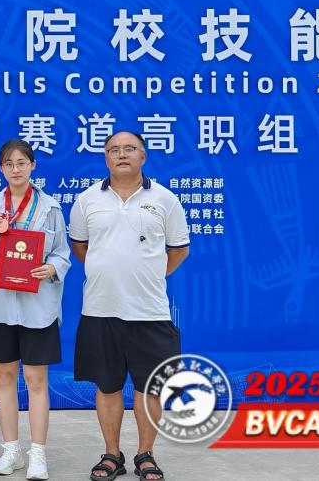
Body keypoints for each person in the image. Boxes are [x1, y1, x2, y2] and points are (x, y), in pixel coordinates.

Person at [69, 132, 190, 481]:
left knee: (149, 387)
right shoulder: (87, 199)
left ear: (143, 156)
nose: (121, 154)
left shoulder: (165, 199)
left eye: (129, 149)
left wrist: (149, 275)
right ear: (105, 157)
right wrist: (106, 269)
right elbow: (80, 246)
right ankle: (111, 454)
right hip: (100, 308)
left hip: (150, 310)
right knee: (107, 386)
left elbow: (179, 249)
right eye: (114, 150)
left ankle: (145, 454)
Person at [0, 140, 71, 481]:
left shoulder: (50, 207)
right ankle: (11, 450)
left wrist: (53, 268)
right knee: (3, 376)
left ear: (32, 165)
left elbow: (62, 252)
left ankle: (38, 454)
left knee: (36, 379)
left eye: (21, 162)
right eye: (9, 163)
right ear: (1, 169)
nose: (15, 169)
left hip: (38, 306)